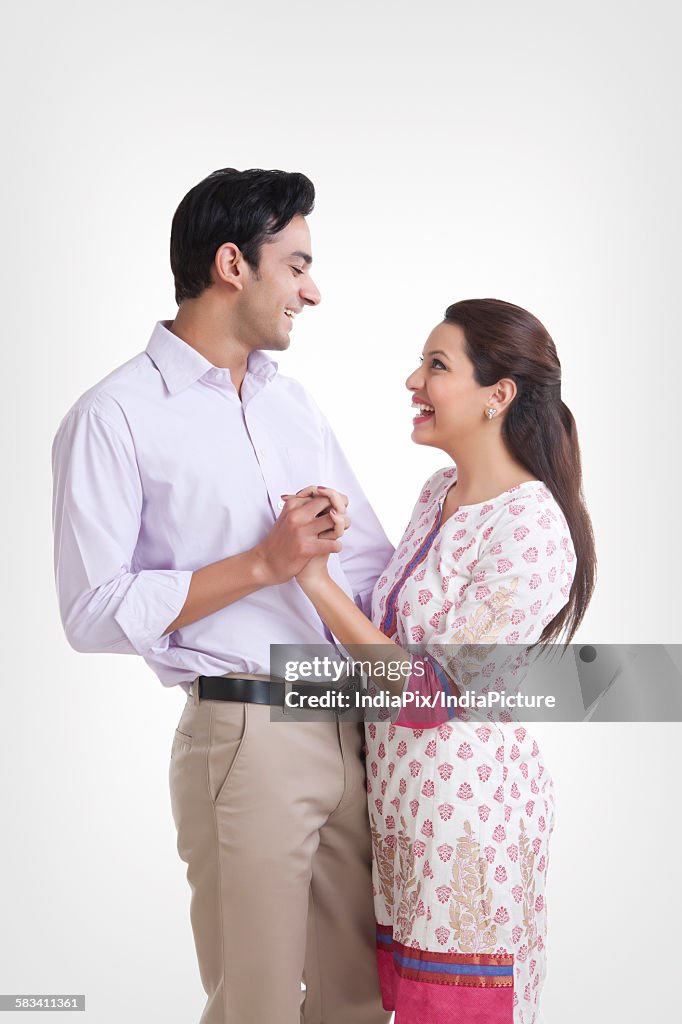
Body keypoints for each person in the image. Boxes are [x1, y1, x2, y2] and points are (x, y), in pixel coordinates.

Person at [51, 168, 394, 1024]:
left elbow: (366, 569)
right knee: (259, 1005)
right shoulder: (115, 415)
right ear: (233, 263)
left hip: (347, 726)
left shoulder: (294, 406)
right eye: (299, 264)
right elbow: (91, 612)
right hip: (244, 731)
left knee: (358, 999)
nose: (313, 291)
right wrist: (262, 564)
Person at [293, 298, 597, 1024]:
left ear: (499, 395)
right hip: (406, 812)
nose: (412, 380)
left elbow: (428, 693)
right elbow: (391, 636)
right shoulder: (438, 496)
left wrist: (313, 582)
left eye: (436, 365)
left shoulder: (531, 525)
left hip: (470, 820)